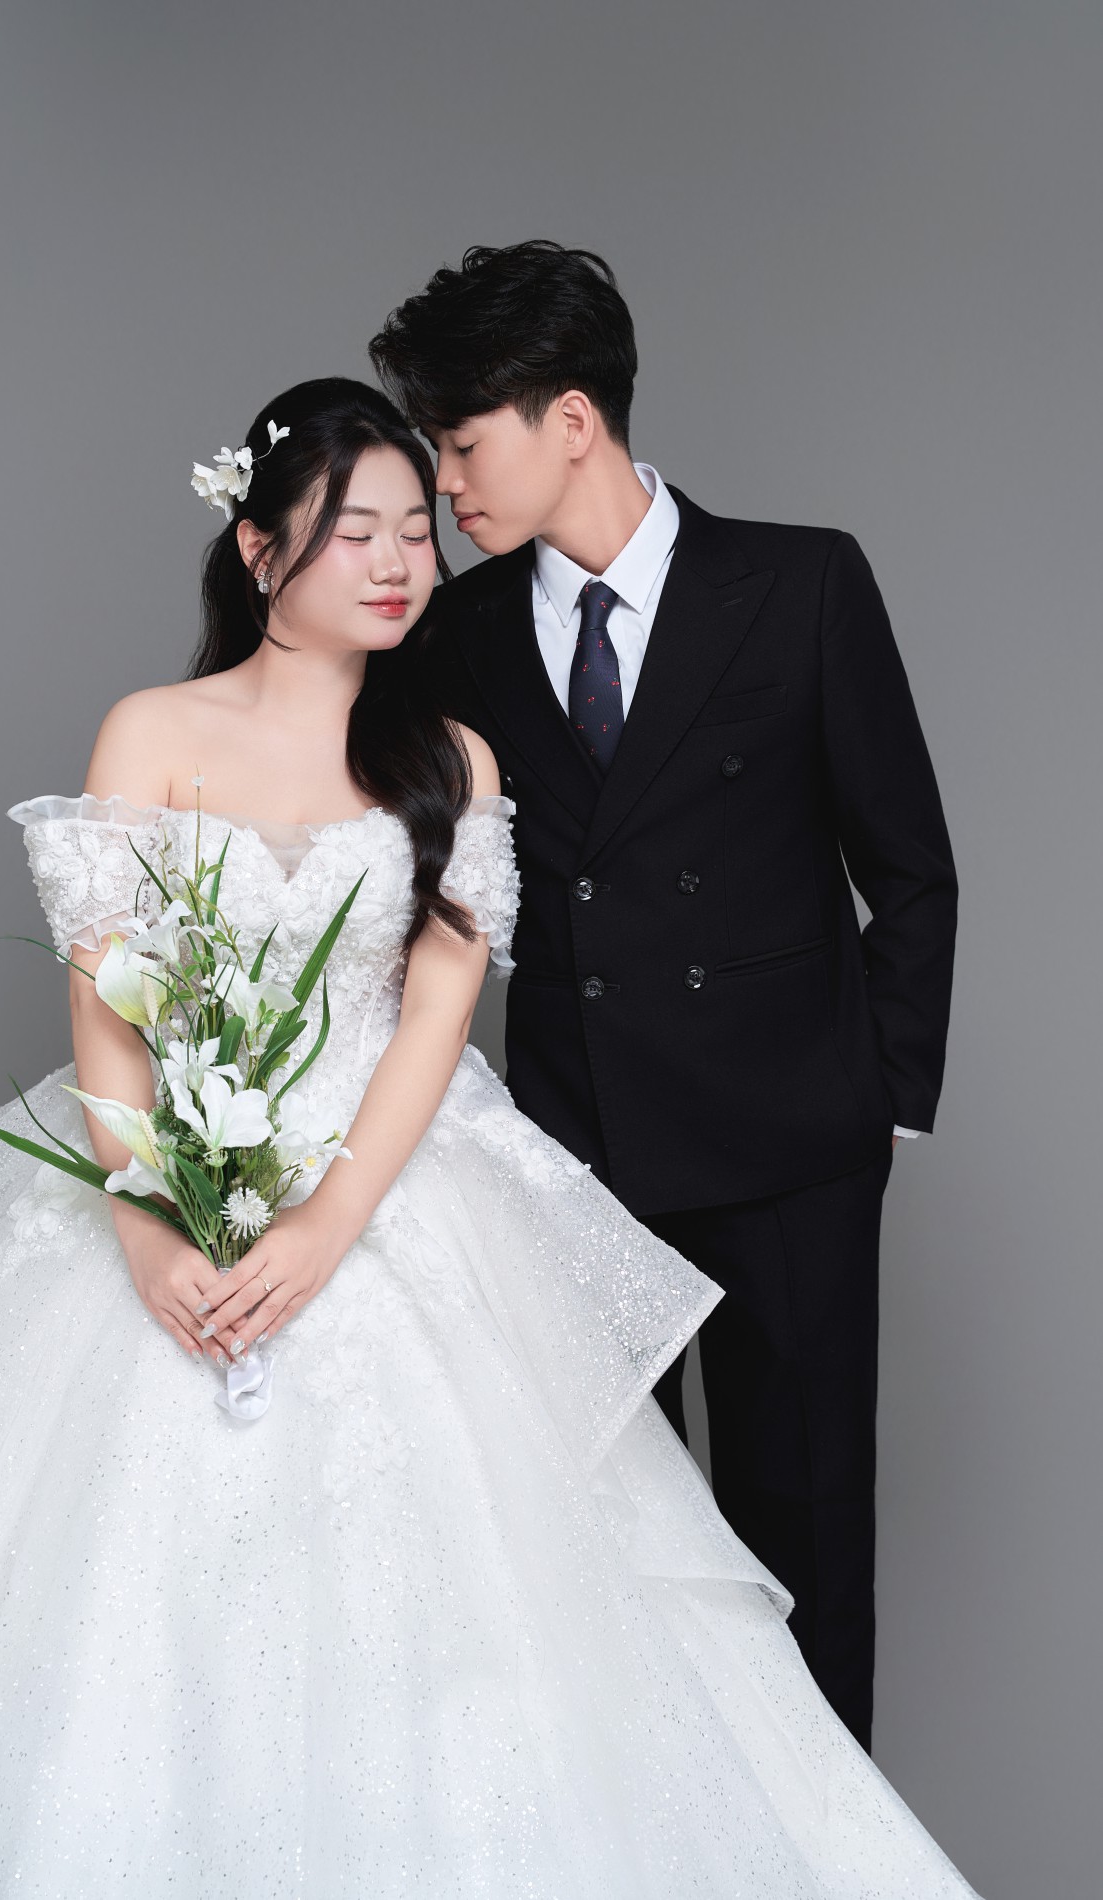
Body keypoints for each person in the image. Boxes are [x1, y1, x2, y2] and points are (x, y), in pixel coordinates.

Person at [0, 378, 977, 1896]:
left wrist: (324, 1223)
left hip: (393, 1190)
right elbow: (108, 998)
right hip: (167, 1183)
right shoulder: (151, 730)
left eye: (414, 532)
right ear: (257, 549)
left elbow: (437, 1018)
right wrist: (146, 1218)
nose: (396, 562)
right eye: (351, 531)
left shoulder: (452, 757)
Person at [369, 241, 959, 1754]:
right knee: (607, 1568)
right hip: (577, 1161)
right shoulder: (461, 634)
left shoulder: (802, 583)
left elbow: (910, 866)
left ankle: (826, 1853)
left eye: (462, 443)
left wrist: (878, 1104)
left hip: (794, 1157)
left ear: (572, 420)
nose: (445, 484)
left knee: (803, 1548)